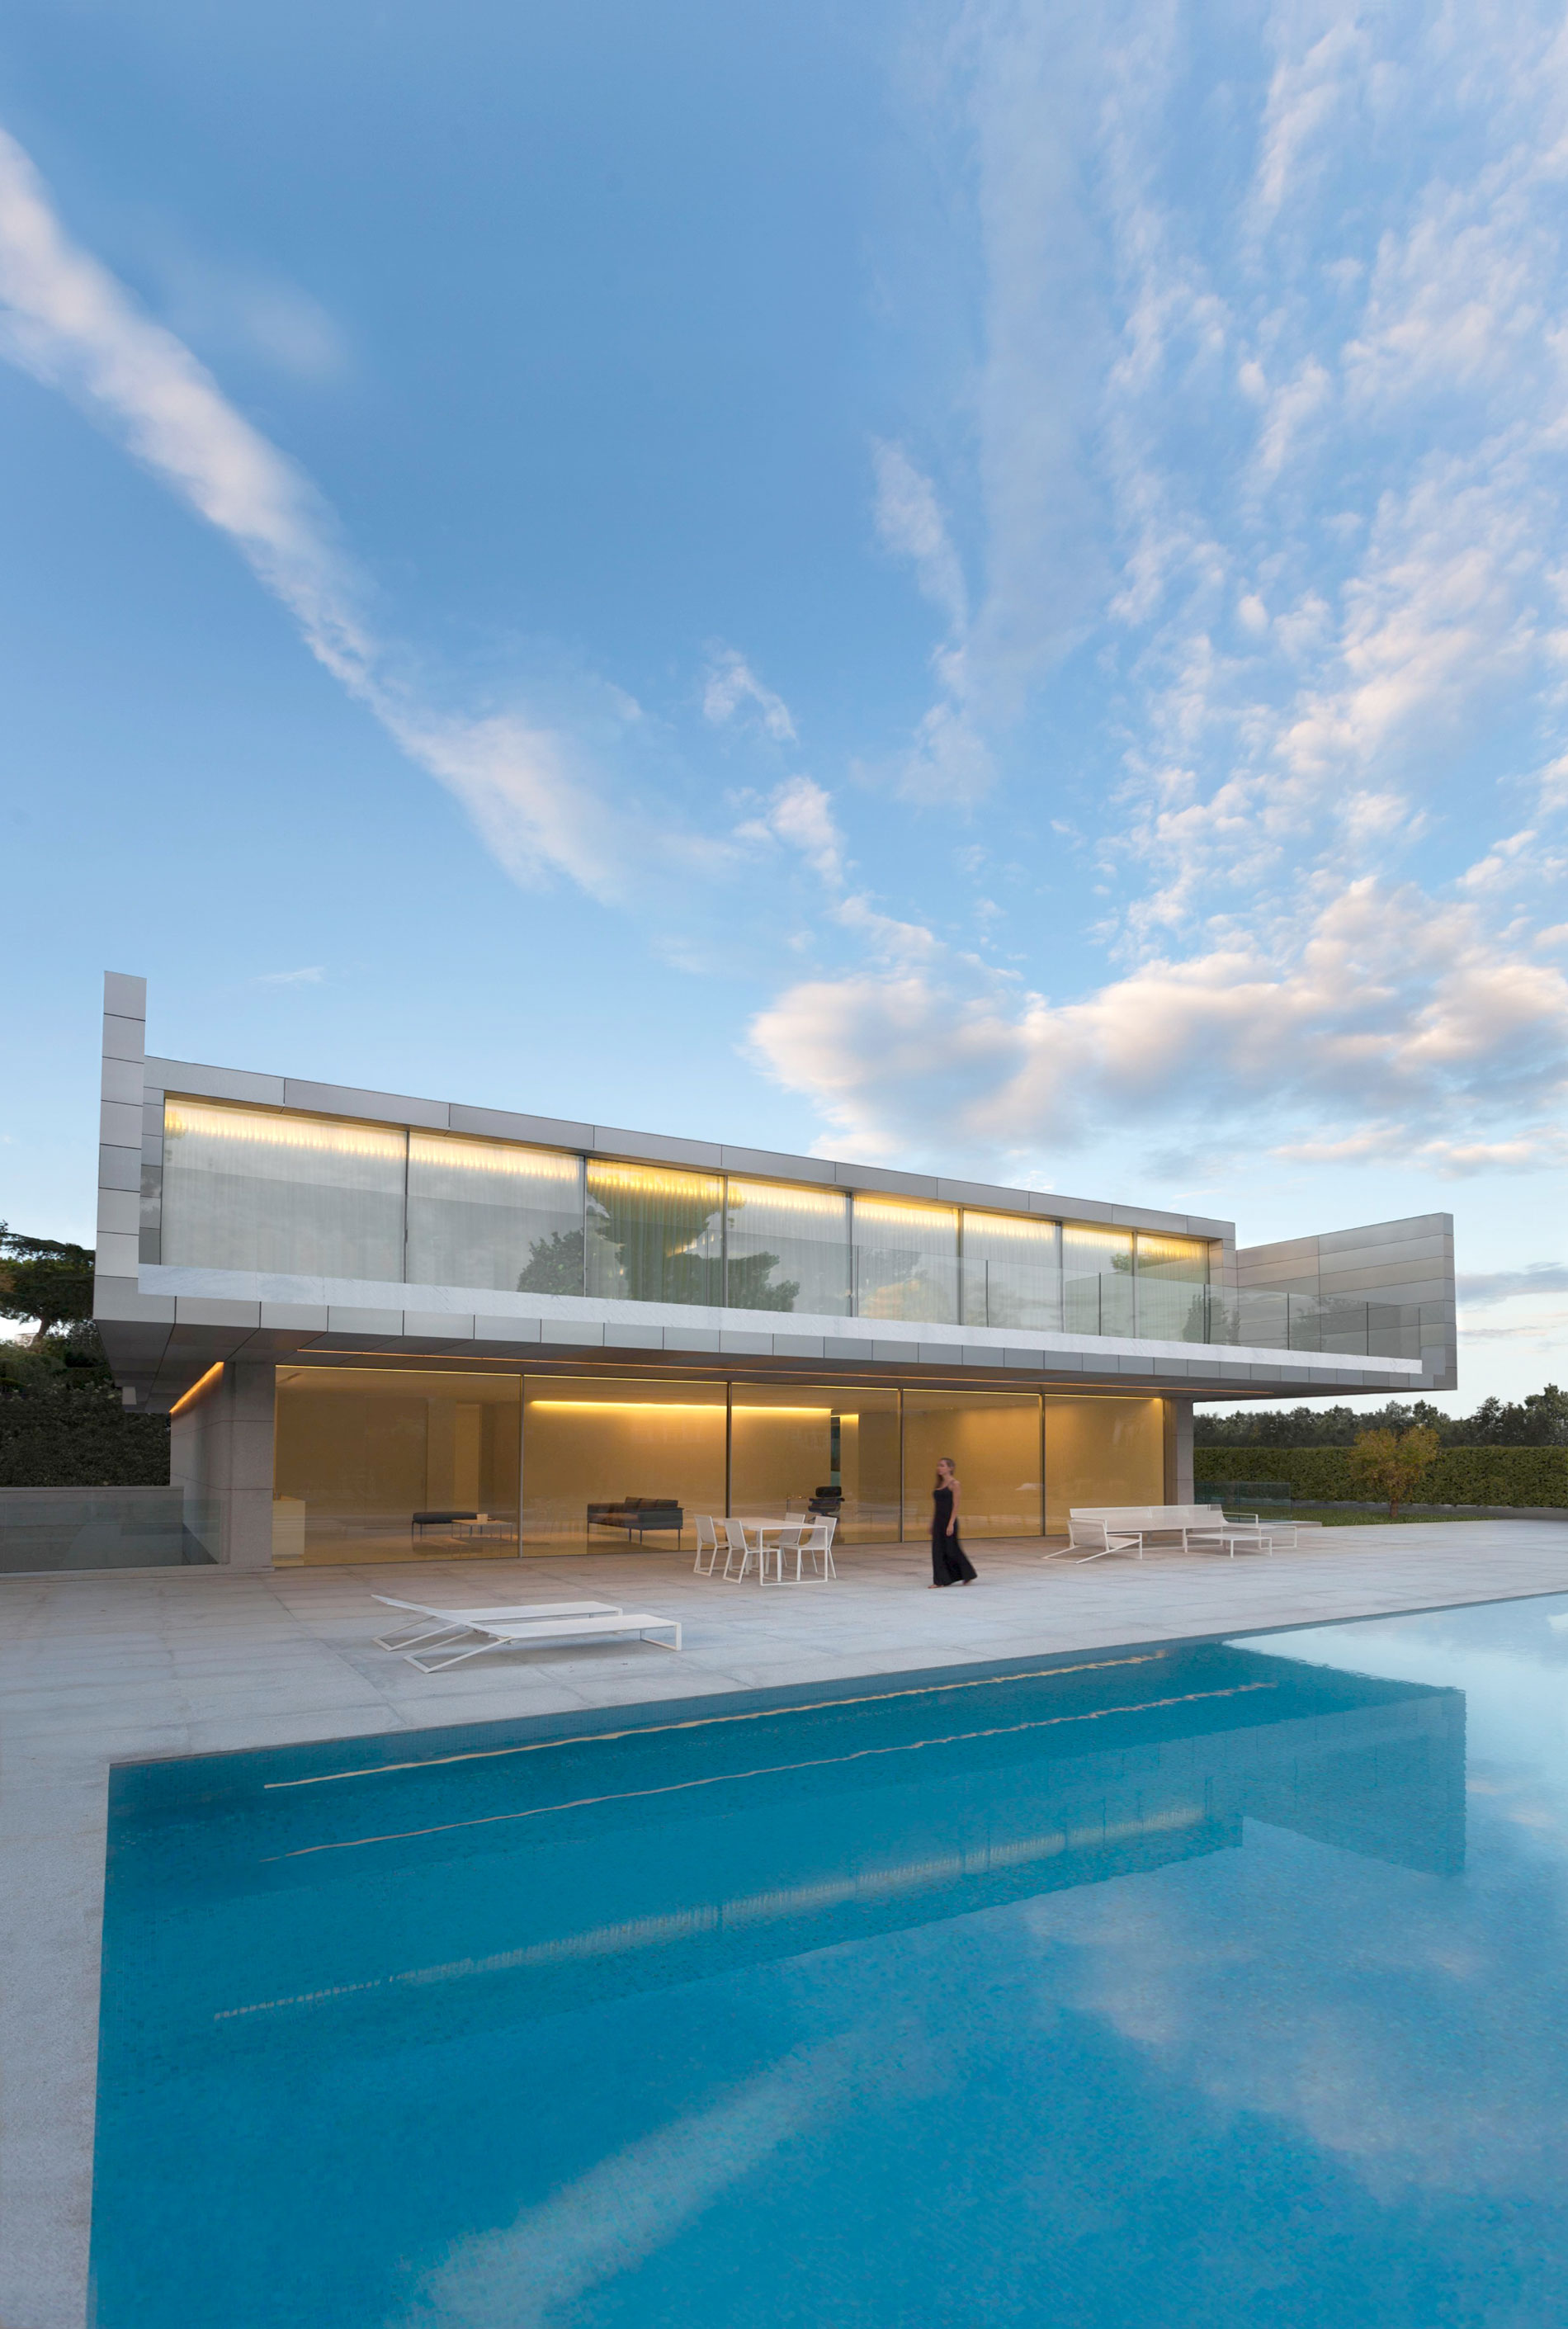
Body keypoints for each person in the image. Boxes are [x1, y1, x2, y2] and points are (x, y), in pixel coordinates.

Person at [929, 1456, 977, 1587]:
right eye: (939, 1465)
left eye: (942, 1465)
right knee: (937, 1550)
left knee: (952, 1550)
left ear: (951, 1468)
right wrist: (932, 1523)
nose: (939, 1468)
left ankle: (967, 1573)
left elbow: (956, 1505)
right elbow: (937, 1506)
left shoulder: (955, 1484)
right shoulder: (939, 1484)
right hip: (938, 1522)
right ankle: (940, 1581)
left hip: (949, 1521)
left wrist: (951, 1523)